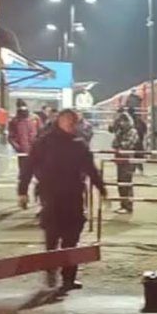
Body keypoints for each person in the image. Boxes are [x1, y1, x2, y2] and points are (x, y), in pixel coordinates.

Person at [18, 108, 106, 292]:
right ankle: (51, 271)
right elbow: (29, 166)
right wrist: (22, 190)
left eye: (74, 122)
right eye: (68, 121)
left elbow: (90, 168)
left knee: (72, 237)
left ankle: (68, 278)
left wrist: (101, 187)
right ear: (59, 121)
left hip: (73, 195)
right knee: (52, 235)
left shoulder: (79, 144)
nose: (71, 125)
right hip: (51, 195)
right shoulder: (45, 142)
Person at [108, 106, 139, 214]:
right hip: (120, 160)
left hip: (128, 160)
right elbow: (114, 143)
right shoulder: (120, 132)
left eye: (123, 121)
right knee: (120, 183)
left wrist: (119, 145)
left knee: (126, 182)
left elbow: (126, 145)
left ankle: (128, 206)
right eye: (120, 121)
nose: (121, 123)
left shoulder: (133, 131)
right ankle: (123, 205)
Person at [7, 101, 40, 191]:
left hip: (35, 151)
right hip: (23, 153)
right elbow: (11, 137)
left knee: (38, 173)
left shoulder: (34, 119)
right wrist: (17, 147)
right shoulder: (14, 121)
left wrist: (38, 146)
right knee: (24, 174)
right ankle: (23, 194)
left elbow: (39, 133)